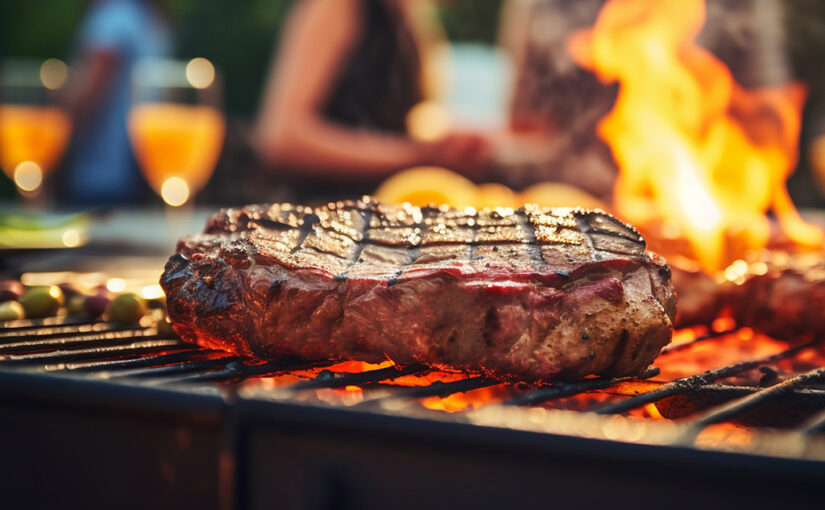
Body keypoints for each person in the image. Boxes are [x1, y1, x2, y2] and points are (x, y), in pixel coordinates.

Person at [254, 0, 493, 202]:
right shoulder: (339, 6)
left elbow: (408, 123)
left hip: (380, 220)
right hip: (315, 220)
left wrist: (446, 145)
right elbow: (281, 137)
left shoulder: (412, 15)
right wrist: (416, 156)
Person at [64, 0, 171, 206]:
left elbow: (86, 99)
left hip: (99, 176)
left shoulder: (112, 19)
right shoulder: (149, 18)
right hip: (141, 171)